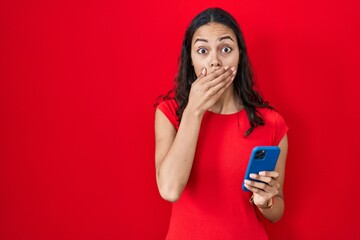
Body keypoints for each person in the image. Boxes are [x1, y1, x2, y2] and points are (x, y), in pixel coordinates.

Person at [154, 7, 288, 240]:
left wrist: (265, 201)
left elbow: (276, 213)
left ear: (240, 56)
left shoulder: (271, 122)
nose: (215, 61)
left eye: (225, 49)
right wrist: (194, 110)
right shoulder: (170, 114)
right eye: (203, 50)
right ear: (191, 60)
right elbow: (169, 190)